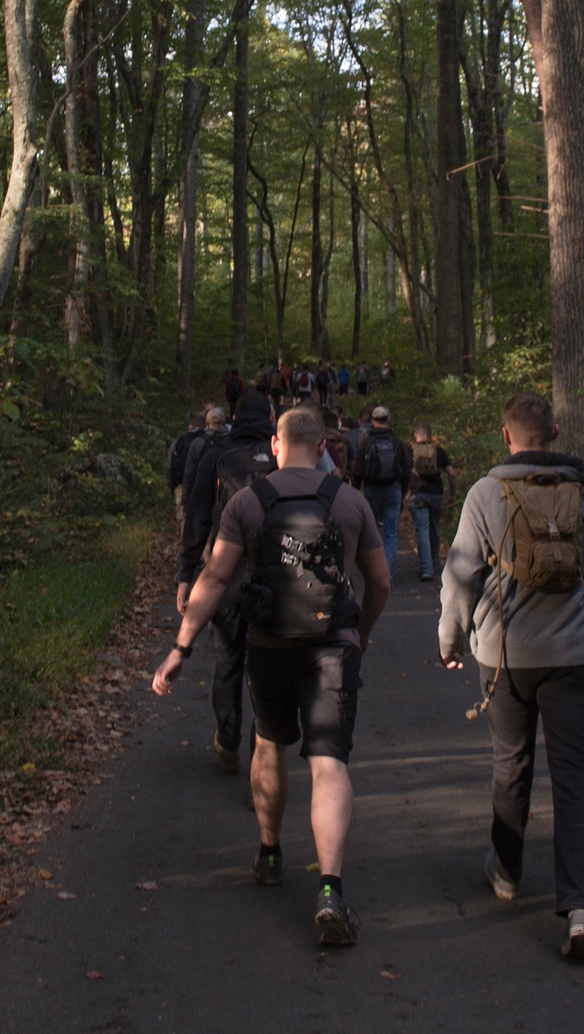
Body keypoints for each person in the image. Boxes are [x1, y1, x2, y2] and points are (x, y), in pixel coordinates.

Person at [153, 405, 390, 947]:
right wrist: (365, 631)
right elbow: (379, 580)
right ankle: (330, 888)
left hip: (268, 644)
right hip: (334, 646)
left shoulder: (247, 501)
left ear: (278, 447)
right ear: (324, 447)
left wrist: (180, 648)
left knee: (269, 744)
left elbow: (214, 579)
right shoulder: (350, 501)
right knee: (329, 764)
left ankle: (269, 850)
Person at [438, 392, 584, 961]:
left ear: (506, 436)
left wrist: (451, 637)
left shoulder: (484, 493)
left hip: (506, 657)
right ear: (556, 433)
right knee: (574, 776)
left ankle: (508, 870)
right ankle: (580, 908)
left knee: (510, 764)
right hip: (577, 655)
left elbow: (461, 575)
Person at [177, 392, 277, 772]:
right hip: (275, 575)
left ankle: (229, 740)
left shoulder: (216, 457)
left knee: (228, 659)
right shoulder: (283, 457)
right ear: (270, 416)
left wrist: (186, 575)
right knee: (266, 665)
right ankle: (262, 756)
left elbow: (197, 518)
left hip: (226, 574)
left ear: (234, 418)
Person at [352, 406, 409, 581]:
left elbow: (357, 470)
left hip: (371, 490)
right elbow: (406, 469)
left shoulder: (366, 442)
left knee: (371, 532)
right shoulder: (397, 442)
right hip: (393, 490)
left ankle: (373, 573)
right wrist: (404, 492)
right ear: (388, 419)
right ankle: (388, 574)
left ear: (372, 421)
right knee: (391, 533)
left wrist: (356, 492)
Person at [407, 421, 456, 581]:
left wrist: (404, 493)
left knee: (422, 530)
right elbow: (451, 473)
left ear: (416, 435)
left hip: (417, 494)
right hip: (436, 494)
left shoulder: (410, 450)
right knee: (434, 528)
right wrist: (453, 494)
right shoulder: (438, 451)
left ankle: (426, 569)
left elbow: (403, 473)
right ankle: (435, 564)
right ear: (430, 435)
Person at [181, 406, 228, 514]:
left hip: (202, 497)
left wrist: (185, 501)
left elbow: (189, 474)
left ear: (206, 425)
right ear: (224, 423)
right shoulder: (232, 442)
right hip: (226, 498)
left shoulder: (197, 444)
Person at [166, 413, 204, 522]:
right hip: (201, 486)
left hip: (180, 486)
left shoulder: (178, 441)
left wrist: (172, 486)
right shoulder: (205, 441)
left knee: (183, 519)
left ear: (190, 426)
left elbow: (170, 466)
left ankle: (184, 537)